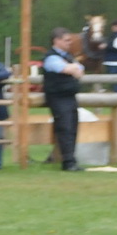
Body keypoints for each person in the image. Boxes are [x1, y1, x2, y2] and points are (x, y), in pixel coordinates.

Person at [41, 27, 85, 171]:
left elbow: (80, 70)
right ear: (56, 41)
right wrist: (73, 68)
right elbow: (68, 70)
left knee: (73, 128)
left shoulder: (67, 56)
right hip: (58, 98)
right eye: (66, 40)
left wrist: (73, 67)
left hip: (69, 97)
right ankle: (67, 161)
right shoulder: (51, 57)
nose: (69, 43)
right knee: (65, 128)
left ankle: (71, 159)